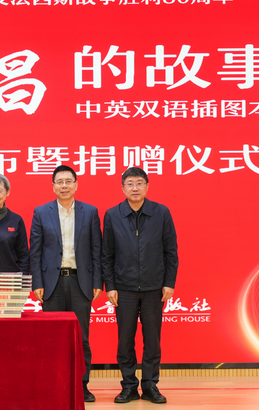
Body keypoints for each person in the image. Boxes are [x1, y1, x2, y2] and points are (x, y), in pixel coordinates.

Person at [102, 167, 178, 404]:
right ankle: (129, 386)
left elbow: (171, 252)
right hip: (123, 288)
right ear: (122, 188)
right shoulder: (113, 214)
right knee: (125, 340)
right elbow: (107, 255)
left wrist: (169, 283)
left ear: (147, 186)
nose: (135, 188)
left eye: (139, 183)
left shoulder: (161, 212)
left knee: (152, 340)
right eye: (130, 184)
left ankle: (150, 385)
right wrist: (110, 286)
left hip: (154, 287)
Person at [29, 165, 102, 403]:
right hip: (52, 283)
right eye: (59, 182)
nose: (64, 186)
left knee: (81, 337)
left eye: (68, 181)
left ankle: (82, 386)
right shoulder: (41, 212)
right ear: (53, 186)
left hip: (81, 281)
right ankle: (53, 384)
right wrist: (37, 282)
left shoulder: (90, 212)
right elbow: (35, 252)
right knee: (52, 338)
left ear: (76, 185)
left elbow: (96, 249)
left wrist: (97, 281)